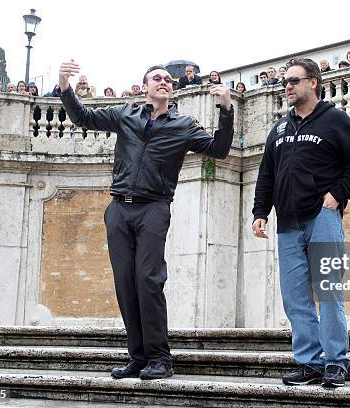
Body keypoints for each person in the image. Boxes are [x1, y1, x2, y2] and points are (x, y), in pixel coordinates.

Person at [58, 59, 234, 381]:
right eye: (157, 78)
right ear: (145, 87)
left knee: (149, 281)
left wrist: (225, 111)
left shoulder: (184, 125)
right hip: (119, 209)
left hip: (153, 208)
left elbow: (219, 149)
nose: (164, 81)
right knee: (126, 285)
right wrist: (66, 87)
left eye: (168, 79)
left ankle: (160, 358)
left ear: (172, 89)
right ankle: (137, 357)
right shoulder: (126, 114)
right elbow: (83, 117)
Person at [252, 58, 350, 389]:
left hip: (322, 219)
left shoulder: (335, 120)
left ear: (313, 83)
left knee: (329, 291)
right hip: (287, 224)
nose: (287, 87)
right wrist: (260, 211)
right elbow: (267, 174)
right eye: (284, 83)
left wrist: (338, 194)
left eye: (293, 81)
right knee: (294, 298)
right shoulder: (278, 129)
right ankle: (309, 362)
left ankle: (335, 361)